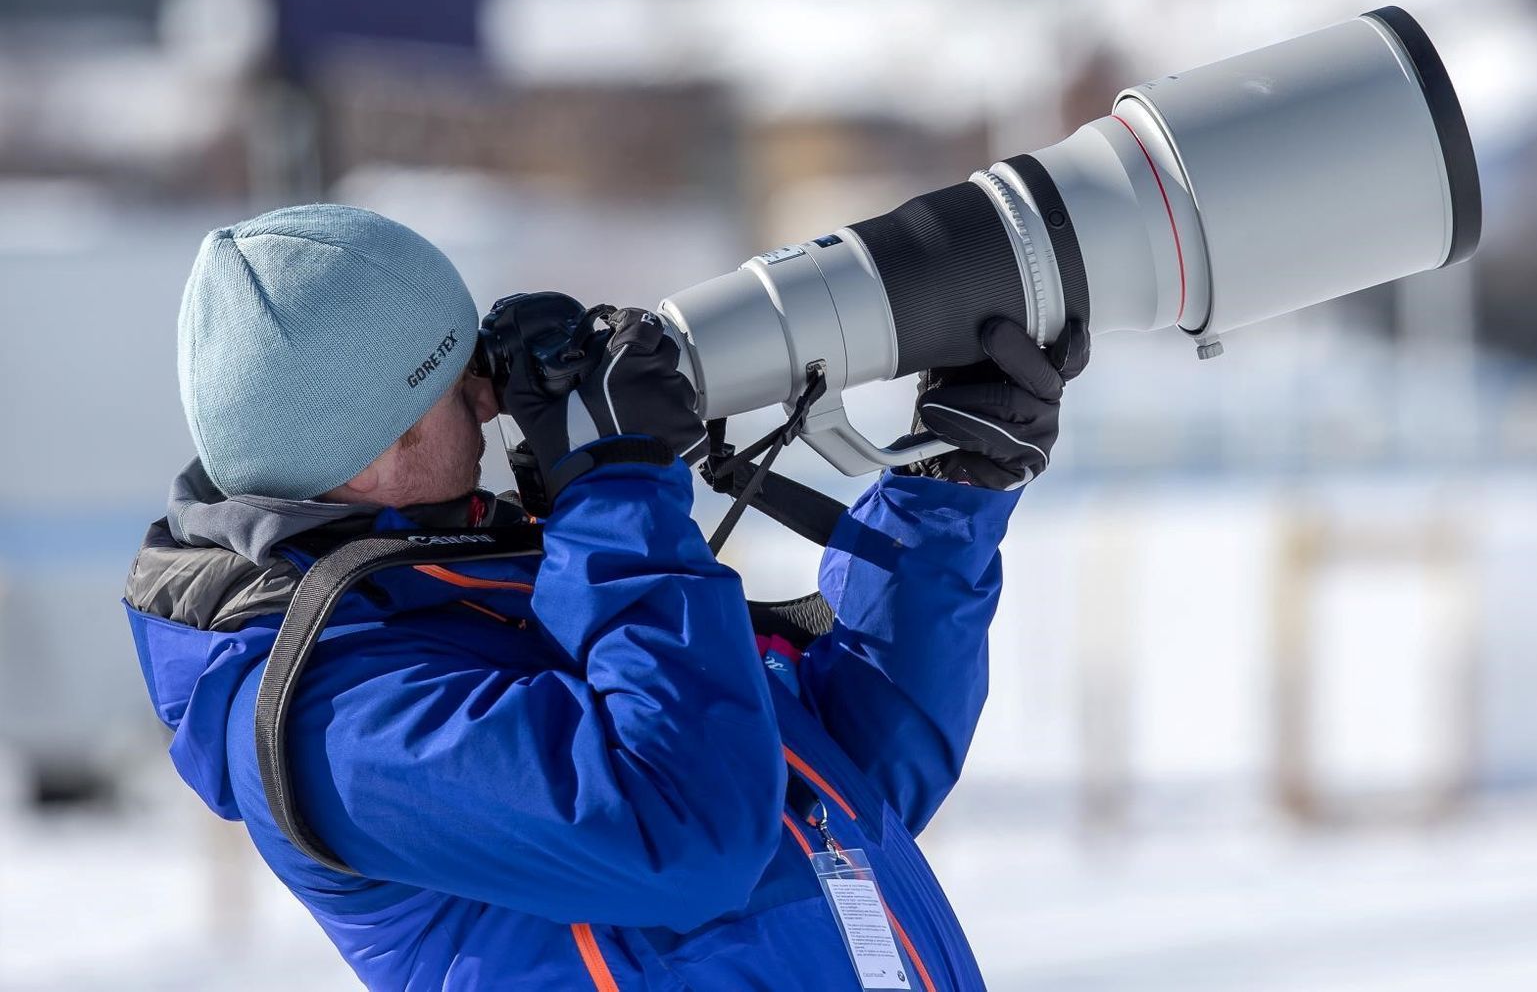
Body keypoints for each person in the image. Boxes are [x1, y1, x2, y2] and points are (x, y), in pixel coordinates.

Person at [124, 203, 1089, 990]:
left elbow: (846, 790)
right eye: (461, 375)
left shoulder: (490, 573)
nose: (493, 397)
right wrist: (614, 485)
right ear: (379, 446)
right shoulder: (331, 719)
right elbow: (689, 828)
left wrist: (945, 495)